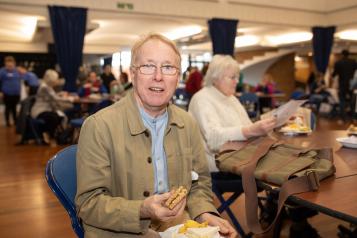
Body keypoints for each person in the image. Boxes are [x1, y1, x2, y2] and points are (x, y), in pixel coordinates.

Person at [75, 34, 237, 238]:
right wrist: (142, 209)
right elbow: (89, 204)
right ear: (133, 74)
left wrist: (204, 212)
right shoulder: (98, 127)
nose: (158, 76)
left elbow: (199, 184)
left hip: (177, 227)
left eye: (168, 67)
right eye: (148, 66)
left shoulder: (187, 124)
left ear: (178, 77)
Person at [189, 55, 276, 172]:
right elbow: (213, 139)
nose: (237, 81)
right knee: (275, 172)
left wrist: (269, 123)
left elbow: (248, 126)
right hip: (216, 168)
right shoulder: (202, 99)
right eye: (232, 77)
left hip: (238, 159)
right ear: (216, 78)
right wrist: (249, 131)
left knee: (278, 165)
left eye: (237, 77)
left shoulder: (231, 98)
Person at [31, 69, 73, 145]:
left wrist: (60, 94)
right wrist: (70, 99)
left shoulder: (47, 86)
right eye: (55, 79)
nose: (56, 81)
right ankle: (49, 134)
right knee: (53, 117)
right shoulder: (45, 87)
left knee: (58, 117)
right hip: (39, 110)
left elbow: (52, 95)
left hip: (46, 109)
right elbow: (55, 98)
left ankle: (51, 134)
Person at [332, 49, 357, 121]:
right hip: (351, 84)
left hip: (342, 84)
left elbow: (334, 74)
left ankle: (343, 116)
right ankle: (352, 116)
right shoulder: (353, 62)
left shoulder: (338, 63)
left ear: (342, 54)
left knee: (342, 100)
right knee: (352, 100)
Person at [0, 56, 21, 127]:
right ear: (5, 64)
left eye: (11, 65)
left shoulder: (17, 71)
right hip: (6, 93)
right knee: (7, 108)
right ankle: (7, 122)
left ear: (14, 64)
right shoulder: (2, 71)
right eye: (8, 65)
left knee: (14, 108)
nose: (10, 67)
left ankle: (15, 122)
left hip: (16, 93)